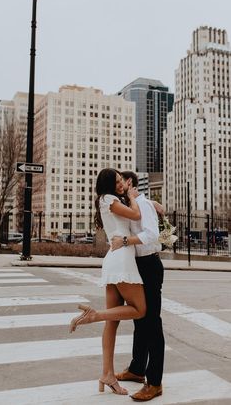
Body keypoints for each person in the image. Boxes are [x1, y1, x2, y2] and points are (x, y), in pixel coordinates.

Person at [69, 168, 146, 396]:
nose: (121, 184)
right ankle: (94, 315)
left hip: (115, 258)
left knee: (112, 323)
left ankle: (107, 374)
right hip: (121, 259)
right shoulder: (110, 199)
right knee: (140, 310)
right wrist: (132, 196)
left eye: (121, 180)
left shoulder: (107, 200)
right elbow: (136, 215)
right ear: (108, 185)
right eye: (117, 182)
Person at [111, 171, 165, 402]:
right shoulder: (131, 205)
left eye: (120, 181)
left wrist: (124, 241)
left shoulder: (143, 204)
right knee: (140, 319)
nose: (119, 186)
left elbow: (152, 235)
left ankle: (155, 382)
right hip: (136, 266)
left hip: (149, 265)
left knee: (152, 322)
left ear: (129, 182)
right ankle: (137, 369)